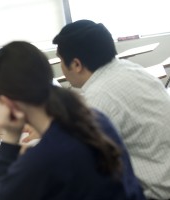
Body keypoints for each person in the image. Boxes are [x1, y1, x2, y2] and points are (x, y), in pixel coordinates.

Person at [0, 41, 145, 200]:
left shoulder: (48, 155)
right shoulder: (89, 118)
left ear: (8, 102)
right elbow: (20, 182)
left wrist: (10, 136)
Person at [53, 19, 170, 200]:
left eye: (60, 60)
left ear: (76, 64)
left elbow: (74, 158)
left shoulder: (100, 97)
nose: (61, 66)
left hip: (155, 193)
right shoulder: (131, 69)